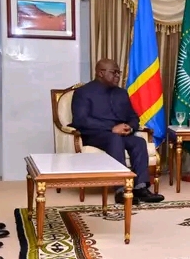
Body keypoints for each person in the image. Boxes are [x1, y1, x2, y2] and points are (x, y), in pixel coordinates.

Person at [71, 58, 165, 204]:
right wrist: (111, 128)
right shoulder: (83, 92)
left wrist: (130, 127)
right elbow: (81, 120)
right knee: (114, 139)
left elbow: (133, 117)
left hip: (121, 134)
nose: (117, 76)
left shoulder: (121, 93)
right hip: (96, 135)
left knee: (139, 142)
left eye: (118, 73)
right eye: (113, 72)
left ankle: (140, 188)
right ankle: (121, 190)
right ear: (101, 73)